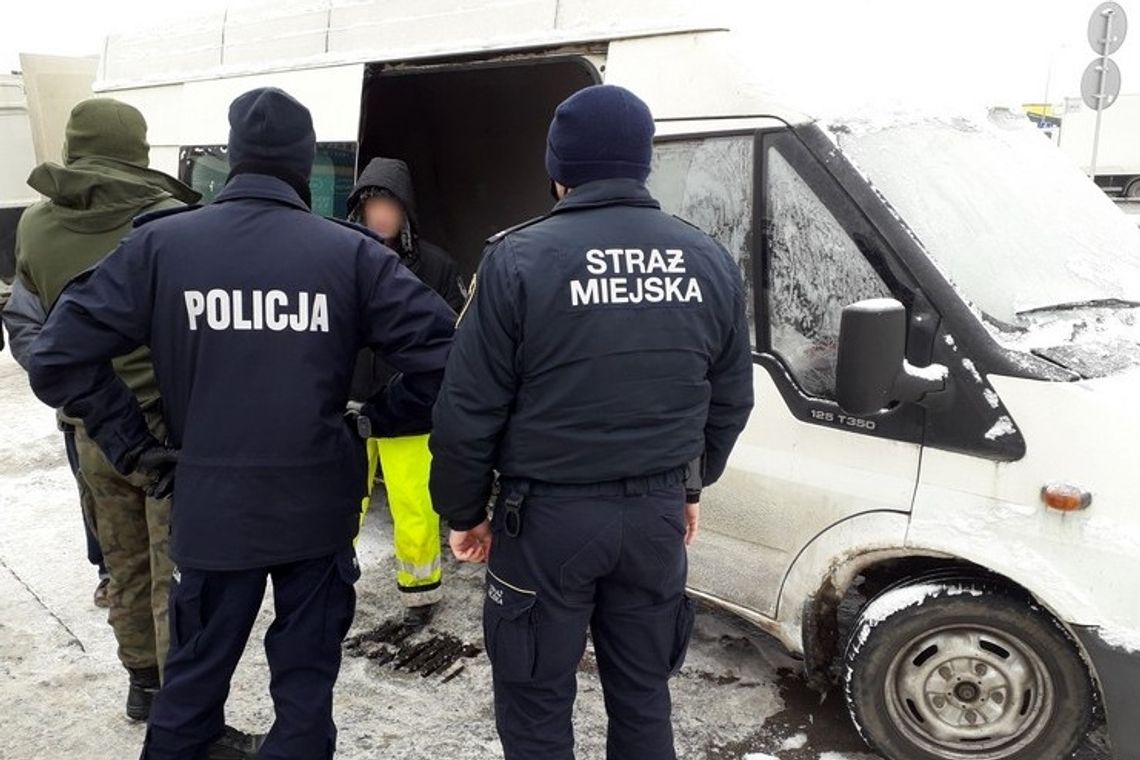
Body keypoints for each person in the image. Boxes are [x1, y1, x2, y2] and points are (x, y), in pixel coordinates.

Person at [27, 87, 455, 760]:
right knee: (306, 690)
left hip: (211, 509)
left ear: (234, 159)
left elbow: (56, 356)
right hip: (314, 509)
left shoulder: (162, 247)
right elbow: (448, 364)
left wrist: (133, 445)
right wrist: (371, 421)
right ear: (303, 161)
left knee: (190, 690)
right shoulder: (348, 255)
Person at [429, 84, 755, 760]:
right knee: (642, 693)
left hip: (546, 521)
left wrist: (462, 511)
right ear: (642, 164)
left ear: (558, 168)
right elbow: (729, 398)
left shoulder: (519, 258)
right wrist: (687, 486)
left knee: (535, 699)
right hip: (654, 519)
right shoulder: (707, 259)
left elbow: (468, 407)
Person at [13, 98, 200, 720]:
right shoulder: (169, 221)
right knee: (177, 570)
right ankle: (183, 704)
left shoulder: (34, 226)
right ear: (138, 149)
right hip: (168, 426)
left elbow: (28, 324)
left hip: (89, 427)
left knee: (122, 561)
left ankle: (142, 685)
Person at [346, 157, 465, 628]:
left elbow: (454, 332)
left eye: (390, 205)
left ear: (406, 211)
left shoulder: (436, 264)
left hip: (410, 409)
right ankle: (333, 580)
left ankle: (420, 593)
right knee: (343, 502)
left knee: (415, 504)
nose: (380, 214)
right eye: (372, 203)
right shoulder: (340, 253)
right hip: (348, 405)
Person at [2, 278, 111, 607]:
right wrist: (56, 375)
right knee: (94, 493)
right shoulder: (40, 231)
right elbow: (24, 320)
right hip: (83, 411)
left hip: (158, 404)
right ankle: (108, 569)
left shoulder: (154, 232)